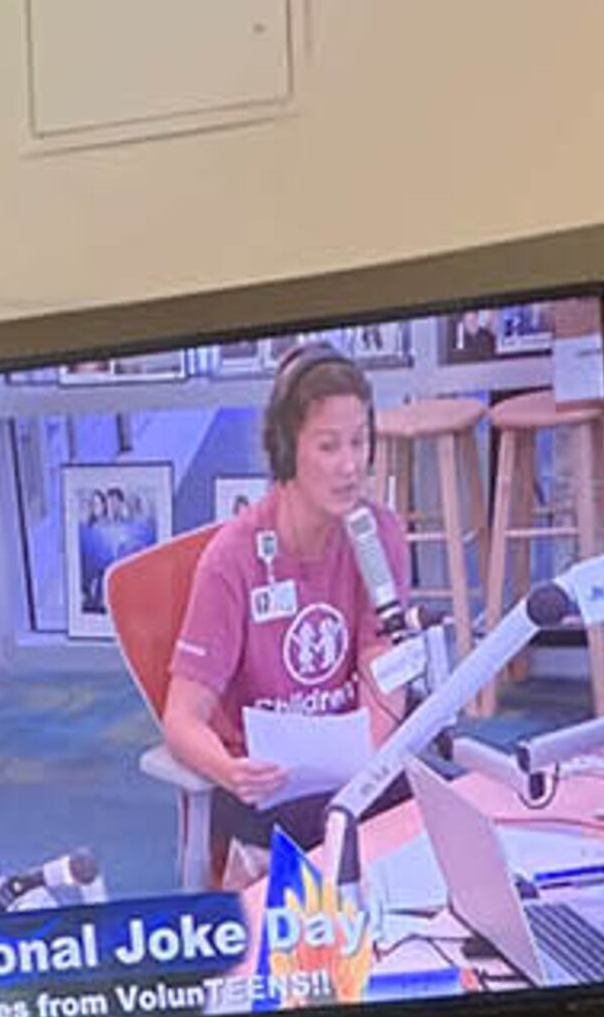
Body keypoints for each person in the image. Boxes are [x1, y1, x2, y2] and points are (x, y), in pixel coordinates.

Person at [158, 347, 414, 845]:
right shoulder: (231, 560)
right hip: (265, 785)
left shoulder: (376, 534)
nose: (349, 466)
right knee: (348, 850)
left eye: (359, 442)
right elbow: (181, 719)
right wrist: (229, 771)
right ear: (284, 449)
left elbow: (379, 653)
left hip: (352, 769)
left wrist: (368, 769)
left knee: (445, 809)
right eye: (328, 446)